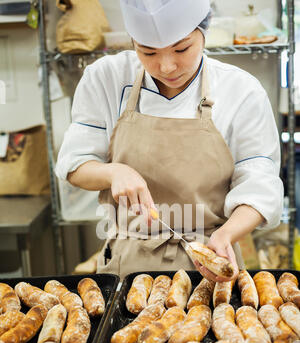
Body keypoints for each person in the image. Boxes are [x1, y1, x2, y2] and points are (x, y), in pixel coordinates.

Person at [55, 0, 284, 281]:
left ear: (204, 30)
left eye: (182, 48)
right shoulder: (105, 78)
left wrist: (227, 234)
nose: (166, 66)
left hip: (211, 261)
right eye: (148, 51)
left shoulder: (242, 90)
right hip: (128, 267)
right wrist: (113, 171)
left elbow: (260, 185)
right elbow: (74, 164)